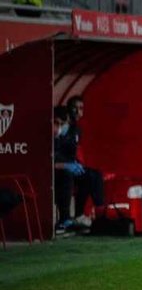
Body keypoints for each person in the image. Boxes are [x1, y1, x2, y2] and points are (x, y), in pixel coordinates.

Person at [53, 99, 105, 232]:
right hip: (55, 173)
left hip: (66, 167)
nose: (60, 127)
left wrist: (75, 163)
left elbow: (71, 152)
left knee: (92, 175)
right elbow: (48, 162)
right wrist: (66, 165)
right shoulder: (49, 136)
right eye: (57, 123)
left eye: (62, 124)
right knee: (67, 174)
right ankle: (64, 220)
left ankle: (98, 214)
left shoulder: (75, 130)